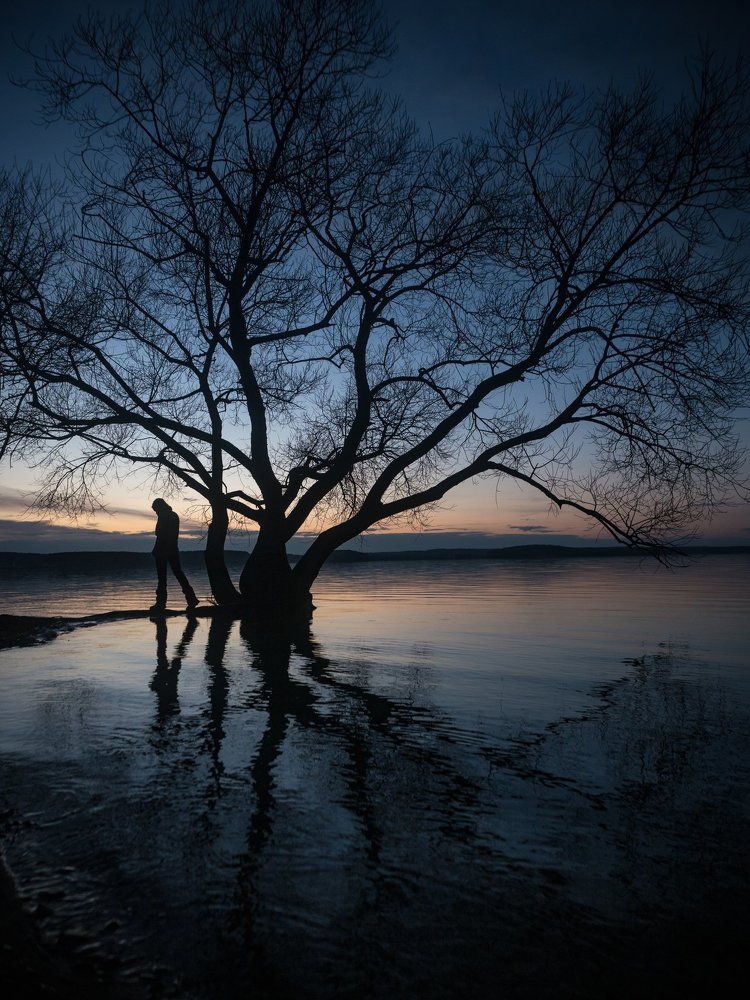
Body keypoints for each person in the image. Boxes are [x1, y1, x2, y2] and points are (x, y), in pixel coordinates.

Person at [150, 498, 199, 612]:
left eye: (156, 510)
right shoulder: (174, 515)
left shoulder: (163, 516)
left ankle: (161, 604)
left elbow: (159, 533)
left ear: (159, 507)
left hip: (162, 550)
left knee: (162, 578)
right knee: (179, 574)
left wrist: (157, 550)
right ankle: (191, 598)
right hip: (173, 549)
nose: (156, 512)